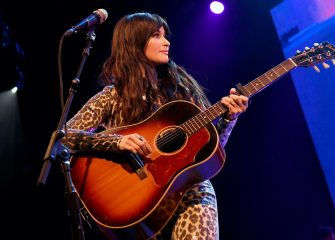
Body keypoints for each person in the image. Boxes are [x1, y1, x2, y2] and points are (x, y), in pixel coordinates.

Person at [63, 12, 249, 240]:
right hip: (134, 201)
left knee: (201, 187)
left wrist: (229, 119)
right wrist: (116, 142)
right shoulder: (112, 97)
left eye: (165, 35)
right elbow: (64, 137)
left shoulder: (183, 90)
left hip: (184, 194)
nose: (167, 41)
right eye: (156, 35)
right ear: (134, 43)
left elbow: (209, 152)